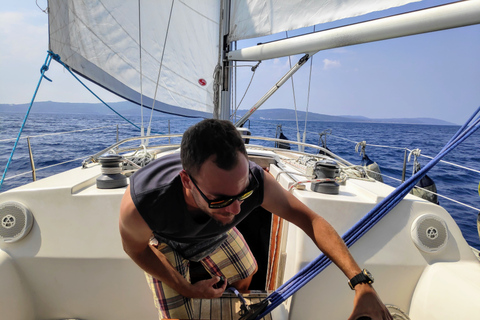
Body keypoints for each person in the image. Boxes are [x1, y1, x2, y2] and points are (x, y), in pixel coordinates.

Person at [119, 119, 392, 320]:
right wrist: (186, 288)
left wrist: (361, 283)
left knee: (247, 274)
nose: (236, 210)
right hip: (166, 241)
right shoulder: (145, 202)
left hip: (214, 235)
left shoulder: (257, 182)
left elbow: (310, 221)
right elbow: (135, 248)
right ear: (187, 181)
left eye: (243, 194)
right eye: (221, 199)